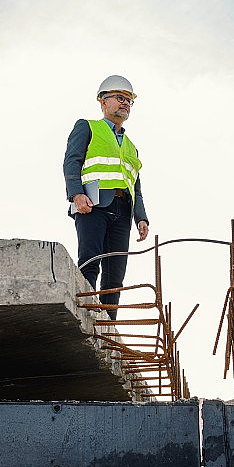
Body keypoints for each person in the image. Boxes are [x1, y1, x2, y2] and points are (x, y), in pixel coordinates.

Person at [63, 74, 149, 318]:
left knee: (115, 275)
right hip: (94, 205)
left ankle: (108, 327)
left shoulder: (131, 146)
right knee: (91, 260)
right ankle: (86, 316)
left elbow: (136, 184)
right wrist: (76, 194)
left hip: (123, 210)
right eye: (120, 98)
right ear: (103, 101)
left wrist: (140, 217)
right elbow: (72, 161)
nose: (125, 104)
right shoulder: (88, 126)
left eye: (129, 101)